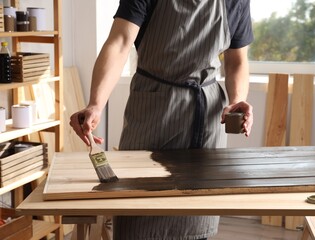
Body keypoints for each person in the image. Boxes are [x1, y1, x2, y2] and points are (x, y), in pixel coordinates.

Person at [70, 0, 254, 239]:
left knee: (195, 219)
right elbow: (120, 43)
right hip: (152, 110)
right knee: (138, 210)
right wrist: (95, 103)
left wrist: (237, 100)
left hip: (204, 118)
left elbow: (237, 60)